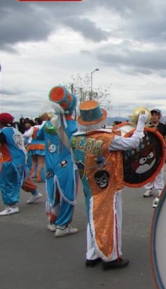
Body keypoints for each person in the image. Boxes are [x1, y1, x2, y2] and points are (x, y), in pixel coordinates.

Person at [72, 101, 147, 270]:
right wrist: (141, 123)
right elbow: (133, 143)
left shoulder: (75, 138)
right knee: (110, 219)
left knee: (92, 217)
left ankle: (92, 254)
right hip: (107, 184)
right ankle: (111, 257)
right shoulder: (106, 139)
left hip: (88, 184)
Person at [36, 86, 79, 237]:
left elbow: (39, 136)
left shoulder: (48, 125)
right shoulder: (74, 126)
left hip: (50, 164)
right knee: (68, 193)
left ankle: (53, 221)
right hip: (67, 165)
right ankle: (63, 225)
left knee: (53, 192)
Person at [0, 113, 38, 215]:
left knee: (7, 183)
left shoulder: (2, 132)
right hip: (21, 158)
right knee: (22, 178)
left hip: (9, 160)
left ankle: (12, 206)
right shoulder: (15, 130)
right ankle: (35, 193)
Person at [142, 109, 166, 208]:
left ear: (159, 116)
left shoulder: (163, 127)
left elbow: (165, 138)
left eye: (156, 115)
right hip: (149, 152)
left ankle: (159, 188)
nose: (154, 116)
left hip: (160, 151)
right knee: (149, 170)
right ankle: (149, 189)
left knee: (159, 170)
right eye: (152, 115)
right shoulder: (147, 126)